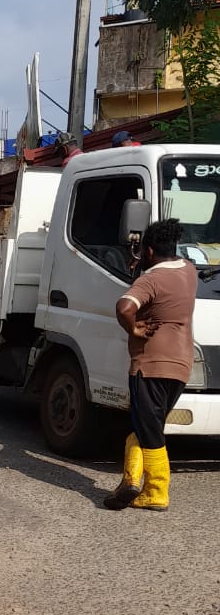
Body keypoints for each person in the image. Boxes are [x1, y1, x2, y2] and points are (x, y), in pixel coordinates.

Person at [103, 219, 197, 511]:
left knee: (150, 430)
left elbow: (124, 307)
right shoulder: (189, 271)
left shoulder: (150, 280)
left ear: (151, 251)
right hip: (181, 364)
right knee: (146, 424)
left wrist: (134, 329)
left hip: (151, 365)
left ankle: (156, 491)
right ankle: (130, 481)